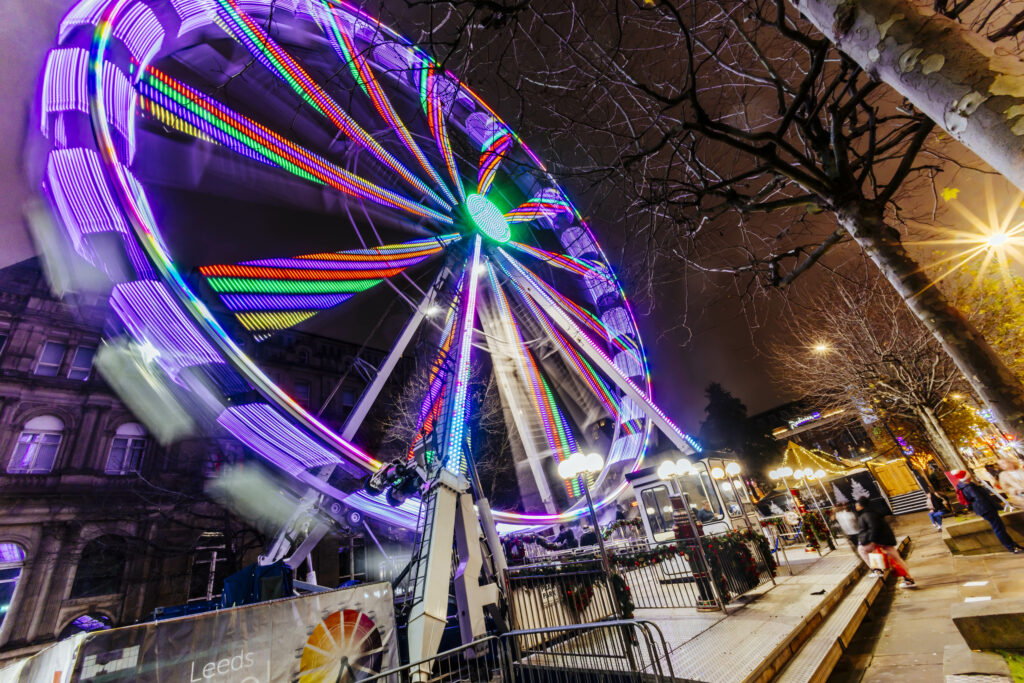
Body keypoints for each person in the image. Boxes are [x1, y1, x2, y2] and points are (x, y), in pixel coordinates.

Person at [954, 470, 1023, 554]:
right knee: (999, 529)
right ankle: (1011, 547)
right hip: (986, 508)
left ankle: (1013, 545)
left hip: (983, 509)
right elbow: (980, 497)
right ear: (967, 476)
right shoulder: (969, 487)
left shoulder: (964, 486)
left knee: (1000, 528)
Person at [855, 500, 916, 587]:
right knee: (896, 559)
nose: (856, 507)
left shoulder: (867, 515)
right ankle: (908, 579)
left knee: (861, 549)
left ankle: (877, 570)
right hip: (886, 540)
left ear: (861, 506)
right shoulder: (874, 512)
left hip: (879, 541)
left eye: (857, 505)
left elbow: (874, 527)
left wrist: (872, 540)